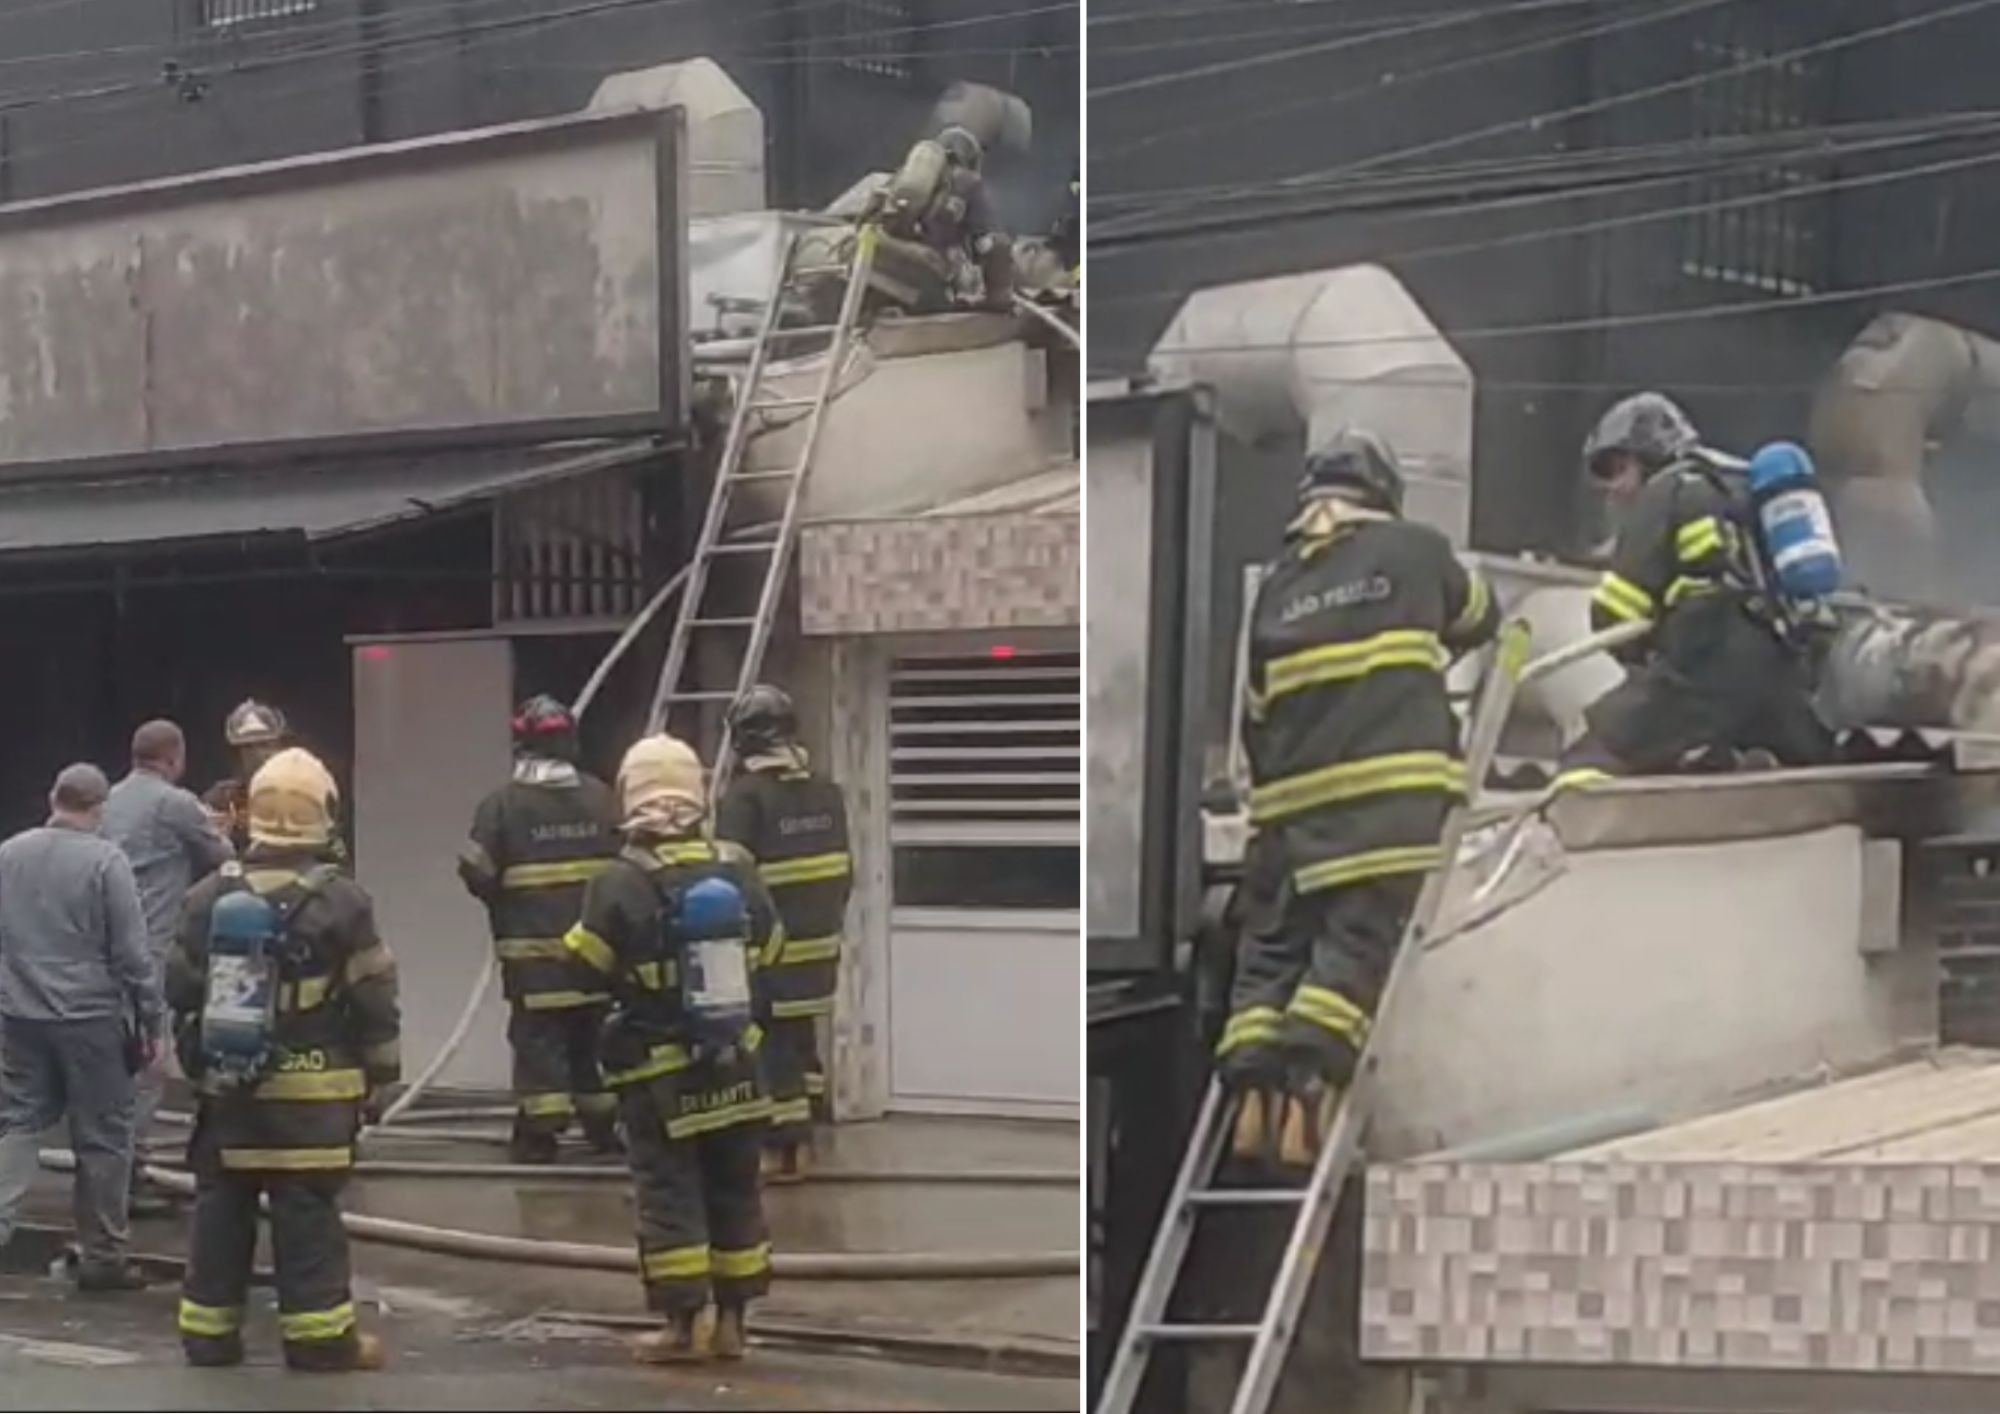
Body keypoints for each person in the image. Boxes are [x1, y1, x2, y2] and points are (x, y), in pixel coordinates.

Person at [1217, 431, 1499, 1171]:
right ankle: (1308, 1096)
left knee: (1272, 959)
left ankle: (1251, 1103)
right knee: (1352, 949)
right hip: (1386, 818)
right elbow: (1481, 618)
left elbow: (1253, 711)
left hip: (1288, 826)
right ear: (1384, 495)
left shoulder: (1278, 583)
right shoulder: (1415, 551)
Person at [167, 748, 399, 1372]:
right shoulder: (344, 902)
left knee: (221, 1215)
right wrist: (382, 1079)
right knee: (308, 1219)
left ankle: (209, 1337)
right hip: (314, 1108)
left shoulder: (206, 897)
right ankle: (319, 1341)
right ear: (323, 813)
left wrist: (204, 1066)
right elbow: (374, 998)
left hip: (231, 1097)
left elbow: (181, 992)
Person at [564, 734, 778, 1364]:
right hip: (738, 1063)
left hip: (658, 1075)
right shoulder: (737, 864)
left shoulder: (619, 880)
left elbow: (584, 967)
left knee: (670, 1195)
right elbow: (773, 949)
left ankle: (681, 1329)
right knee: (737, 1190)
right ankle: (734, 1324)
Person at [1561, 392, 1834, 783]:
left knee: (1589, 758)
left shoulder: (1665, 492)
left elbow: (1615, 609)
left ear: (1648, 456)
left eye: (1617, 468)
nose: (1613, 488)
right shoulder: (1742, 485)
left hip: (1702, 669)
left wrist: (1645, 663)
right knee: (1820, 770)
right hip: (1782, 669)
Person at [0, 763, 160, 1291]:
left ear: (53, 796)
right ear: (100, 807)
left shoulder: (9, 853)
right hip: (91, 1019)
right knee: (103, 1138)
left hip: (19, 1014)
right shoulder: (106, 862)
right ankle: (103, 1257)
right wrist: (150, 1019)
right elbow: (134, 954)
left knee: (18, 1122)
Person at [457, 694, 621, 1163]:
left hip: (534, 966)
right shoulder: (603, 798)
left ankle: (539, 1134)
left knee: (540, 1045)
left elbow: (476, 872)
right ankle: (603, 1130)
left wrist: (506, 903)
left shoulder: (502, 807)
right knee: (593, 1042)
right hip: (595, 961)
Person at [715, 686, 853, 1183]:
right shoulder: (826, 790)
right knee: (801, 1039)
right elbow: (844, 872)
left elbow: (729, 882)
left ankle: (784, 1150)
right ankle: (811, 1132)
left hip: (769, 950)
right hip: (820, 946)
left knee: (771, 1045)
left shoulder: (744, 798)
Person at [103, 719, 234, 1208]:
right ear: (174, 757)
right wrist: (216, 822)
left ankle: (109, 1168)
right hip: (151, 947)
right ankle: (128, 1176)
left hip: (104, 952)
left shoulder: (110, 799)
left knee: (114, 1062)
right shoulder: (175, 803)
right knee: (149, 1062)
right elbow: (225, 856)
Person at [202, 699, 291, 852]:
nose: (257, 754)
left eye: (264, 745)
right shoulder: (222, 797)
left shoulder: (301, 792)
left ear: (279, 746)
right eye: (248, 747)